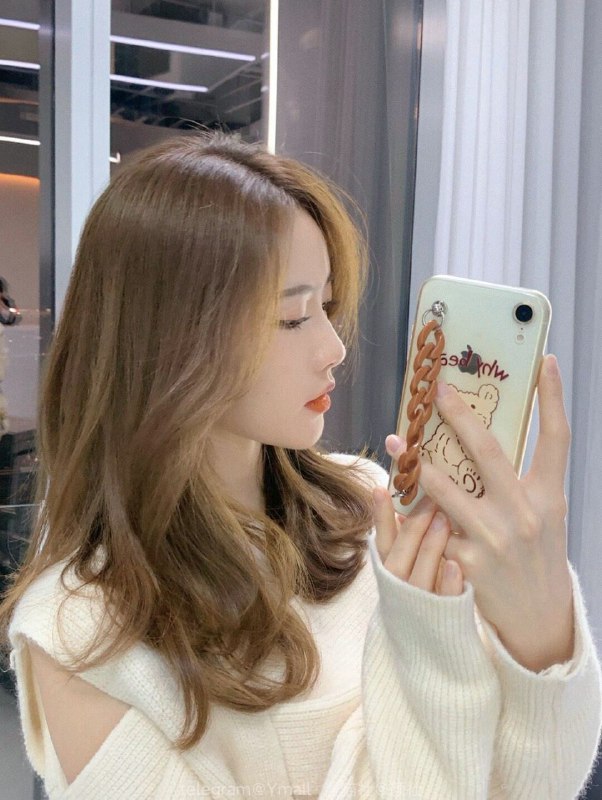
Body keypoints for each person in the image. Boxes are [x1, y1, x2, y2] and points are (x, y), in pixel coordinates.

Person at [0, 132, 600, 799]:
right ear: (170, 339)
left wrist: (542, 621)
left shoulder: (371, 507)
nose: (333, 348)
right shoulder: (78, 636)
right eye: (292, 317)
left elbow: (533, 786)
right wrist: (426, 647)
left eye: (327, 307)